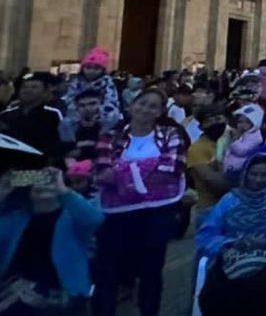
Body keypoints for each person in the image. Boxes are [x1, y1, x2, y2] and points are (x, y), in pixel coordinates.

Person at [91, 87, 188, 316]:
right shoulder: (111, 136)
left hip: (156, 214)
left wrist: (123, 174)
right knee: (107, 272)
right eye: (142, 103)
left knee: (151, 272)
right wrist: (143, 174)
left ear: (160, 112)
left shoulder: (170, 134)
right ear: (132, 105)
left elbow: (170, 170)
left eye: (153, 106)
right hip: (117, 215)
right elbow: (104, 173)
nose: (145, 109)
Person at [196, 153, 266, 315]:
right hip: (232, 252)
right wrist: (231, 243)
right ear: (246, 174)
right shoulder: (231, 199)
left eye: (264, 175)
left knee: (253, 289)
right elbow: (207, 234)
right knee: (214, 292)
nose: (258, 180)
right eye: (254, 174)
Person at [0, 167, 104, 315]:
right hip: (16, 294)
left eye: (49, 182)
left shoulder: (72, 220)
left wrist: (63, 191)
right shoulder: (15, 218)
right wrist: (2, 193)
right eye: (36, 181)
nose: (43, 185)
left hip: (62, 296)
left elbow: (94, 219)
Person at [187, 104, 232, 231]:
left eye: (218, 119)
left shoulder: (234, 141)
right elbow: (212, 181)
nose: (215, 124)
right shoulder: (197, 149)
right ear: (201, 127)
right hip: (210, 209)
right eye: (208, 121)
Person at [0, 73, 64, 160]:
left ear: (45, 92)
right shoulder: (7, 114)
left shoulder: (52, 114)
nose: (27, 90)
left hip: (38, 164)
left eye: (34, 87)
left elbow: (61, 141)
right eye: (24, 87)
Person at [62, 47, 122, 131]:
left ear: (102, 70)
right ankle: (70, 143)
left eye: (96, 68)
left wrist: (99, 115)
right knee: (66, 123)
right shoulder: (76, 82)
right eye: (88, 68)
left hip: (101, 113)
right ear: (83, 69)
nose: (92, 71)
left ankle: (104, 137)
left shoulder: (107, 83)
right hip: (79, 113)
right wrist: (79, 114)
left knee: (114, 115)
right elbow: (69, 99)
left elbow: (111, 100)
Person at [224, 104, 265, 183]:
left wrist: (235, 140)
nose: (243, 125)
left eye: (247, 122)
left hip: (241, 170)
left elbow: (242, 150)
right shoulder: (241, 133)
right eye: (240, 122)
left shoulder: (256, 136)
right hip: (230, 169)